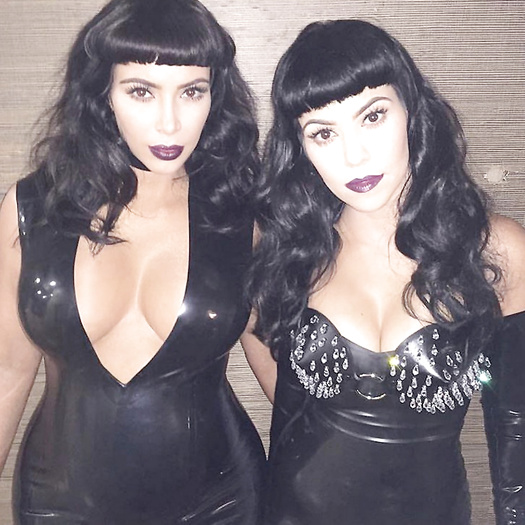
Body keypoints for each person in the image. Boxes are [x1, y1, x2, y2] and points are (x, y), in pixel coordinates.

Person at [242, 19, 525, 525]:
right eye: (323, 133)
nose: (354, 156)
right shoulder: (289, 248)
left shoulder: (495, 250)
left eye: (372, 116)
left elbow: (516, 432)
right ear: (301, 148)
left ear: (412, 110)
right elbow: (273, 374)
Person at [0, 0, 266, 522]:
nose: (170, 123)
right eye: (141, 91)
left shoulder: (243, 217)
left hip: (220, 503)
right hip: (59, 505)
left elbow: (280, 372)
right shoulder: (31, 210)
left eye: (192, 91)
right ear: (104, 93)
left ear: (214, 95)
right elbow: (7, 371)